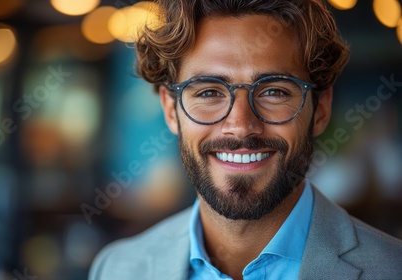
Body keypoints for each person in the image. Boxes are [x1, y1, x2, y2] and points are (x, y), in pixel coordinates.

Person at [89, 0, 402, 279]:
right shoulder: (117, 269)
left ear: (320, 109)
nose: (240, 126)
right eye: (209, 92)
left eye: (274, 91)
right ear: (171, 110)